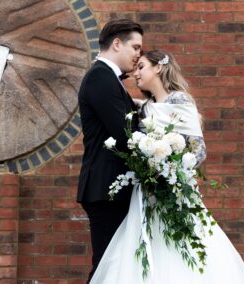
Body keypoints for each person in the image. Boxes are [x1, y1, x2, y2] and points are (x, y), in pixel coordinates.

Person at [89, 50, 244, 283]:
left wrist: (171, 173)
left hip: (175, 191)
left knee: (181, 249)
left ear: (158, 68)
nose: (136, 73)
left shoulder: (180, 100)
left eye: (141, 67)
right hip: (146, 196)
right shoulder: (145, 108)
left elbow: (199, 150)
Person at [77, 19, 143, 282]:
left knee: (116, 267)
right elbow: (125, 134)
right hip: (106, 189)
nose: (139, 54)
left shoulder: (109, 79)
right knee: (107, 267)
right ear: (117, 43)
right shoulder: (100, 77)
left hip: (111, 188)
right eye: (135, 46)